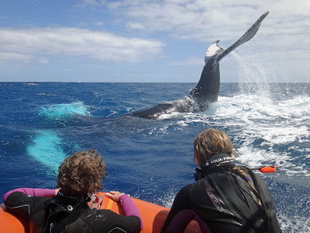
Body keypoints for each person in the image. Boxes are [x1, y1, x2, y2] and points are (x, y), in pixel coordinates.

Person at [162, 128, 282, 233]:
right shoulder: (256, 179)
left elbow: (169, 231)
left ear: (197, 158)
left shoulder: (190, 193)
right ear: (230, 153)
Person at [3, 149, 143, 233]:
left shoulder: (38, 206)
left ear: (61, 175)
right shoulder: (103, 221)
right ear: (94, 185)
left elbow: (10, 196)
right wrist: (124, 198)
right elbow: (137, 223)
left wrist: (53, 192)